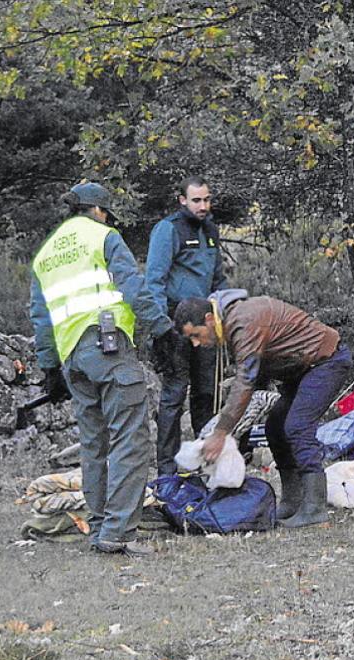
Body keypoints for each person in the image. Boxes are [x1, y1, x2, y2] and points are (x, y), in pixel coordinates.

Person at [30, 181, 181, 555]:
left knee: (93, 445)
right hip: (108, 347)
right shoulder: (103, 236)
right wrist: (162, 329)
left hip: (72, 359)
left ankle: (99, 528)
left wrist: (50, 367)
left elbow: (40, 317)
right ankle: (118, 532)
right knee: (131, 438)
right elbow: (132, 285)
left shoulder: (45, 254)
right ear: (99, 211)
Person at [173, 290, 352, 528]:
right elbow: (254, 380)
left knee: (297, 426)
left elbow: (246, 381)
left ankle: (314, 507)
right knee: (275, 428)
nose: (196, 343)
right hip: (301, 369)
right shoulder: (230, 320)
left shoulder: (243, 321)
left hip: (326, 362)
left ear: (208, 319)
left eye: (196, 335)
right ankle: (292, 500)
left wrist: (221, 432)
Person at [146, 175, 229, 475]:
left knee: (207, 394)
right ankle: (166, 470)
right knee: (174, 394)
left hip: (206, 323)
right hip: (175, 321)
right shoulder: (168, 230)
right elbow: (153, 280)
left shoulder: (210, 231)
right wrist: (160, 327)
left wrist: (226, 314)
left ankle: (205, 462)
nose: (203, 205)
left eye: (207, 199)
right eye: (197, 200)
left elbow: (218, 279)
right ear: (182, 200)